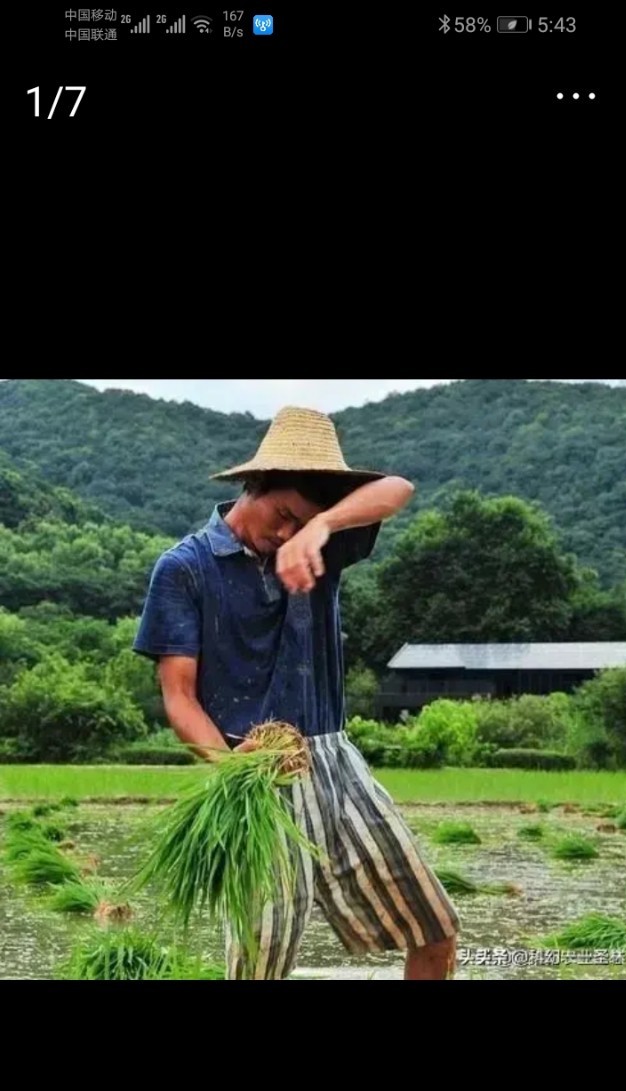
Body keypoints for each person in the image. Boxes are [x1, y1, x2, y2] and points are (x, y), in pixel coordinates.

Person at [132, 405, 460, 980]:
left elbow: (398, 487)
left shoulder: (321, 547)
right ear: (253, 485)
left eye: (299, 522)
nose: (285, 532)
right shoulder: (184, 570)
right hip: (254, 775)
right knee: (261, 963)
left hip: (337, 763)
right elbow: (180, 697)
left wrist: (321, 527)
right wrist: (233, 775)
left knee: (435, 931)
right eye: (283, 513)